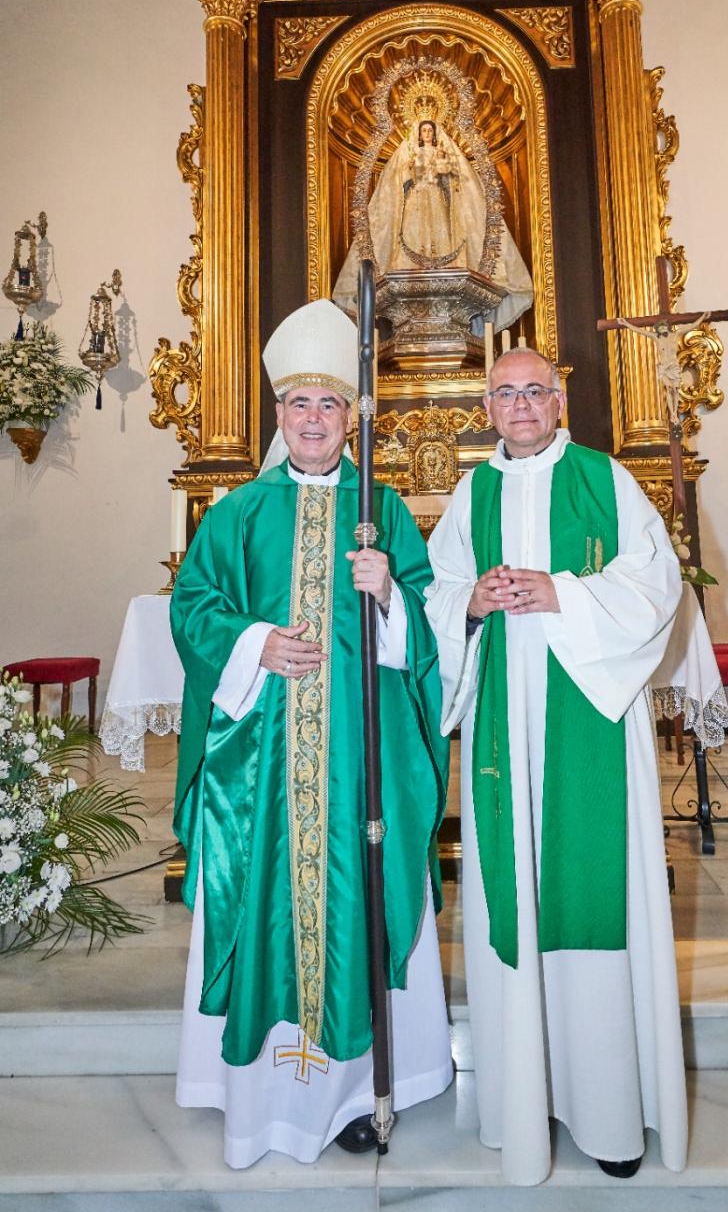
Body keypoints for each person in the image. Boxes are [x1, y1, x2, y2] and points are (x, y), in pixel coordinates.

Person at [170, 299, 453, 1168]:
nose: (314, 421)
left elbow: (432, 630)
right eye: (298, 405)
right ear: (279, 417)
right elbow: (193, 608)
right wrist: (255, 643)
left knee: (356, 897)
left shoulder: (385, 511)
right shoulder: (237, 515)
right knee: (265, 906)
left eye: (329, 405)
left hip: (359, 767)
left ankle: (362, 1093)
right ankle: (258, 1101)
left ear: (350, 418)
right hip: (262, 771)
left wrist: (391, 596)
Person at [424, 346, 688, 1186]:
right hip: (504, 725)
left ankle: (610, 1115)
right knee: (514, 902)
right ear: (489, 407)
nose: (521, 404)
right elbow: (436, 586)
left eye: (534, 390)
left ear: (557, 399)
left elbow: (655, 585)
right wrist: (468, 602)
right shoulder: (472, 493)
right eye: (504, 393)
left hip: (590, 723)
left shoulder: (604, 478)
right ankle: (519, 1104)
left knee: (590, 895)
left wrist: (560, 594)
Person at [333, 115, 533, 335]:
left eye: (430, 130)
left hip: (437, 198)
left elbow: (455, 180)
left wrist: (442, 168)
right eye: (424, 131)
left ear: (435, 134)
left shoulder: (442, 153)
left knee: (440, 229)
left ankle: (443, 264)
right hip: (416, 199)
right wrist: (413, 171)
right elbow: (399, 182)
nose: (427, 134)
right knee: (414, 229)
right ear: (419, 134)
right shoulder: (409, 154)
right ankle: (412, 266)